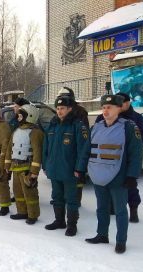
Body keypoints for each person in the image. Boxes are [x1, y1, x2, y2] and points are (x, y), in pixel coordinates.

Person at [82, 94, 143, 254]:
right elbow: (86, 151)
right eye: (103, 107)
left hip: (118, 177)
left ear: (118, 108)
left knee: (121, 210)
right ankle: (102, 235)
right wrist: (81, 170)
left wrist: (132, 176)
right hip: (98, 175)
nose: (105, 110)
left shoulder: (129, 127)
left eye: (109, 107)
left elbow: (136, 154)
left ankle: (121, 241)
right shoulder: (96, 127)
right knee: (101, 208)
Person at [94, 92, 143, 223]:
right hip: (109, 158)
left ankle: (133, 209)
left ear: (127, 104)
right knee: (109, 182)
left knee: (130, 185)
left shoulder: (137, 118)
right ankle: (112, 206)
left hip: (127, 159)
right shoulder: (103, 117)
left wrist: (134, 148)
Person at [42, 93, 88, 235]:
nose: (59, 111)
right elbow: (45, 148)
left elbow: (83, 149)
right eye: (57, 108)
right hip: (54, 169)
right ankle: (59, 221)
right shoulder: (52, 126)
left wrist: (79, 169)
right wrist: (45, 166)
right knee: (57, 196)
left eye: (62, 108)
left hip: (69, 170)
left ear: (70, 109)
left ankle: (72, 225)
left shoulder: (77, 126)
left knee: (71, 199)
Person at [5, 104, 44, 225]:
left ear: (30, 116)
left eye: (21, 116)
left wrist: (34, 171)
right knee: (18, 192)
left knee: (30, 193)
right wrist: (7, 165)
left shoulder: (35, 132)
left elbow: (37, 153)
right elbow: (9, 148)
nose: (18, 118)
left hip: (27, 169)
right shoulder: (16, 131)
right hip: (16, 167)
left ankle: (33, 214)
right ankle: (22, 211)